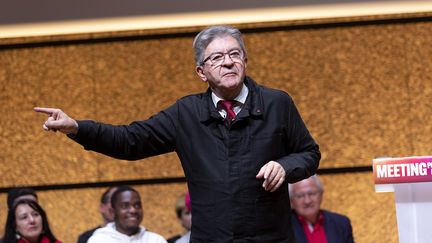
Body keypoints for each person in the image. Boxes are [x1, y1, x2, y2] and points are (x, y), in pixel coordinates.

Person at [34, 25, 321, 242]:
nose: (228, 62)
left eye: (235, 54)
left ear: (245, 60)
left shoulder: (276, 103)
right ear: (201, 72)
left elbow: (310, 154)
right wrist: (77, 128)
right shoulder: (186, 113)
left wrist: (284, 166)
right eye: (217, 57)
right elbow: (130, 140)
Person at [87, 186, 167, 243]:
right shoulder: (98, 240)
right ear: (113, 212)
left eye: (137, 205)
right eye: (125, 206)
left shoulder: (156, 240)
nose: (133, 210)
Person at [289, 175, 354, 243]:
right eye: (300, 196)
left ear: (321, 194)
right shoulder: (282, 226)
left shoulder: (341, 223)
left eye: (312, 194)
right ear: (291, 200)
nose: (307, 201)